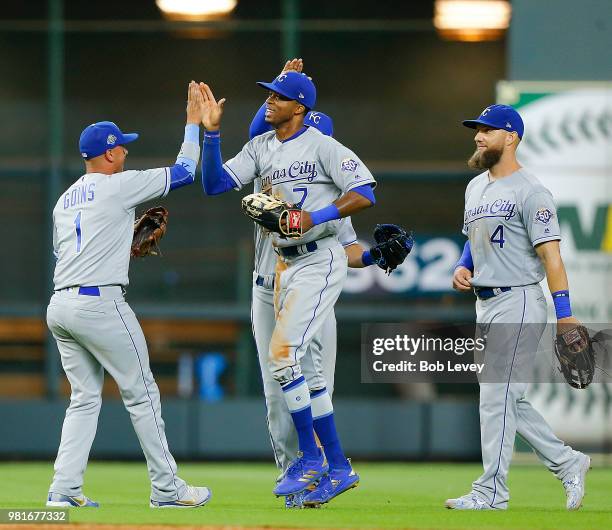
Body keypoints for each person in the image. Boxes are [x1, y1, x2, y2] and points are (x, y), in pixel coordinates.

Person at [200, 68, 377, 506]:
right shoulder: (262, 147)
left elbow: (365, 191)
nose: (267, 102)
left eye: (277, 96)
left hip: (317, 260)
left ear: (300, 107)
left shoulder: (324, 147)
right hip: (277, 271)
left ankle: (315, 460)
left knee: (286, 358)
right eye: (268, 96)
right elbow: (214, 183)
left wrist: (315, 219)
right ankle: (335, 467)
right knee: (292, 374)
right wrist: (211, 135)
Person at [45, 82, 212, 509]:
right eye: (123, 148)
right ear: (111, 152)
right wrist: (193, 125)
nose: (127, 153)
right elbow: (185, 172)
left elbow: (69, 251)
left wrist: (118, 247)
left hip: (61, 304)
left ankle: (63, 490)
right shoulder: (119, 186)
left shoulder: (64, 200)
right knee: (142, 392)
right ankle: (167, 490)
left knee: (83, 399)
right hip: (99, 303)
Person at [244, 59, 390, 508]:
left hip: (309, 280)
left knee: (305, 377)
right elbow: (256, 138)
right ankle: (305, 471)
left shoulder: (325, 169)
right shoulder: (268, 155)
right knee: (278, 395)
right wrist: (278, 85)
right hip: (268, 284)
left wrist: (374, 256)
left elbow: (346, 243)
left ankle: (323, 467)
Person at [448, 104, 591, 511]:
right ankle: (568, 462)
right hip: (486, 302)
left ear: (510, 137)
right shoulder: (475, 187)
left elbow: (552, 257)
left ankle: (491, 492)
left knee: (496, 396)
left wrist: (565, 315)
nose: (478, 136)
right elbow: (473, 238)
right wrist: (463, 265)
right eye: (476, 129)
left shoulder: (532, 191)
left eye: (488, 130)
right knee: (508, 397)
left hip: (520, 298)